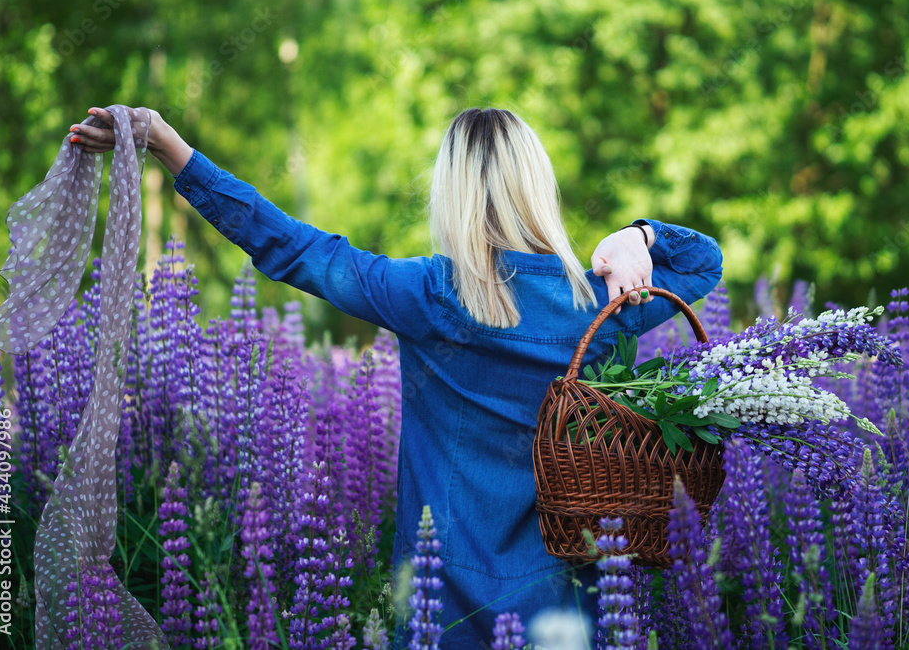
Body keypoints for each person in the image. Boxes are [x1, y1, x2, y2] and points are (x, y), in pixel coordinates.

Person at [70, 105, 723, 648]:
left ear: (454, 192)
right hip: (570, 611)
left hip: (445, 607)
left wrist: (166, 142)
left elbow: (294, 248)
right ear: (537, 186)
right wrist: (641, 236)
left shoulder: (430, 294)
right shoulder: (601, 308)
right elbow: (704, 265)